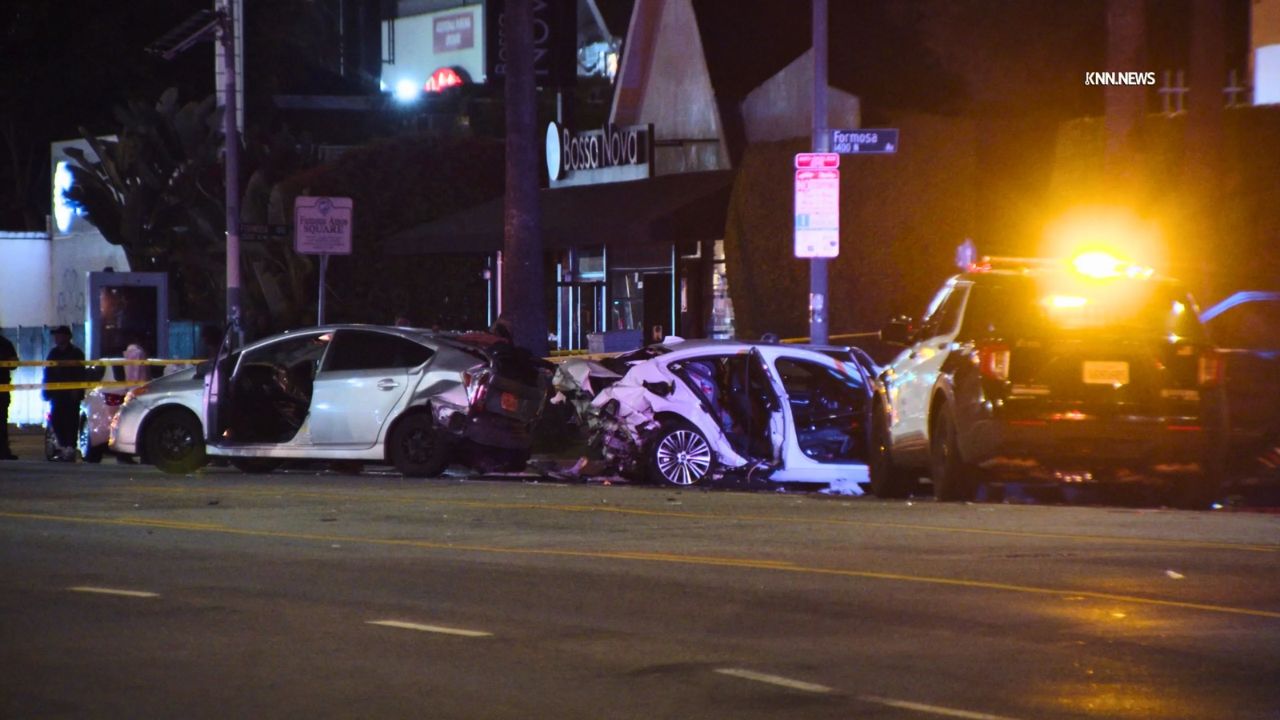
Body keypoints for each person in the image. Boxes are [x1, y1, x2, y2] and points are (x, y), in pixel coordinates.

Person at [43, 326, 85, 461]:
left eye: (59, 335)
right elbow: (48, 372)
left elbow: (80, 374)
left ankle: (70, 447)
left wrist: (77, 390)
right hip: (57, 393)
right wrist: (47, 390)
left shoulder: (76, 353)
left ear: (67, 337)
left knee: (71, 421)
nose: (56, 338)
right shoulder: (53, 353)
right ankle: (63, 446)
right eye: (55, 335)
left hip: (71, 394)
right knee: (56, 419)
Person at [0, 331, 18, 460]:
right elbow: (14, 364)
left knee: (1, 420)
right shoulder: (5, 343)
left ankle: (3, 450)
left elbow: (13, 364)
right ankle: (3, 451)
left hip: (2, 388)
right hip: (2, 388)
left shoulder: (5, 344)